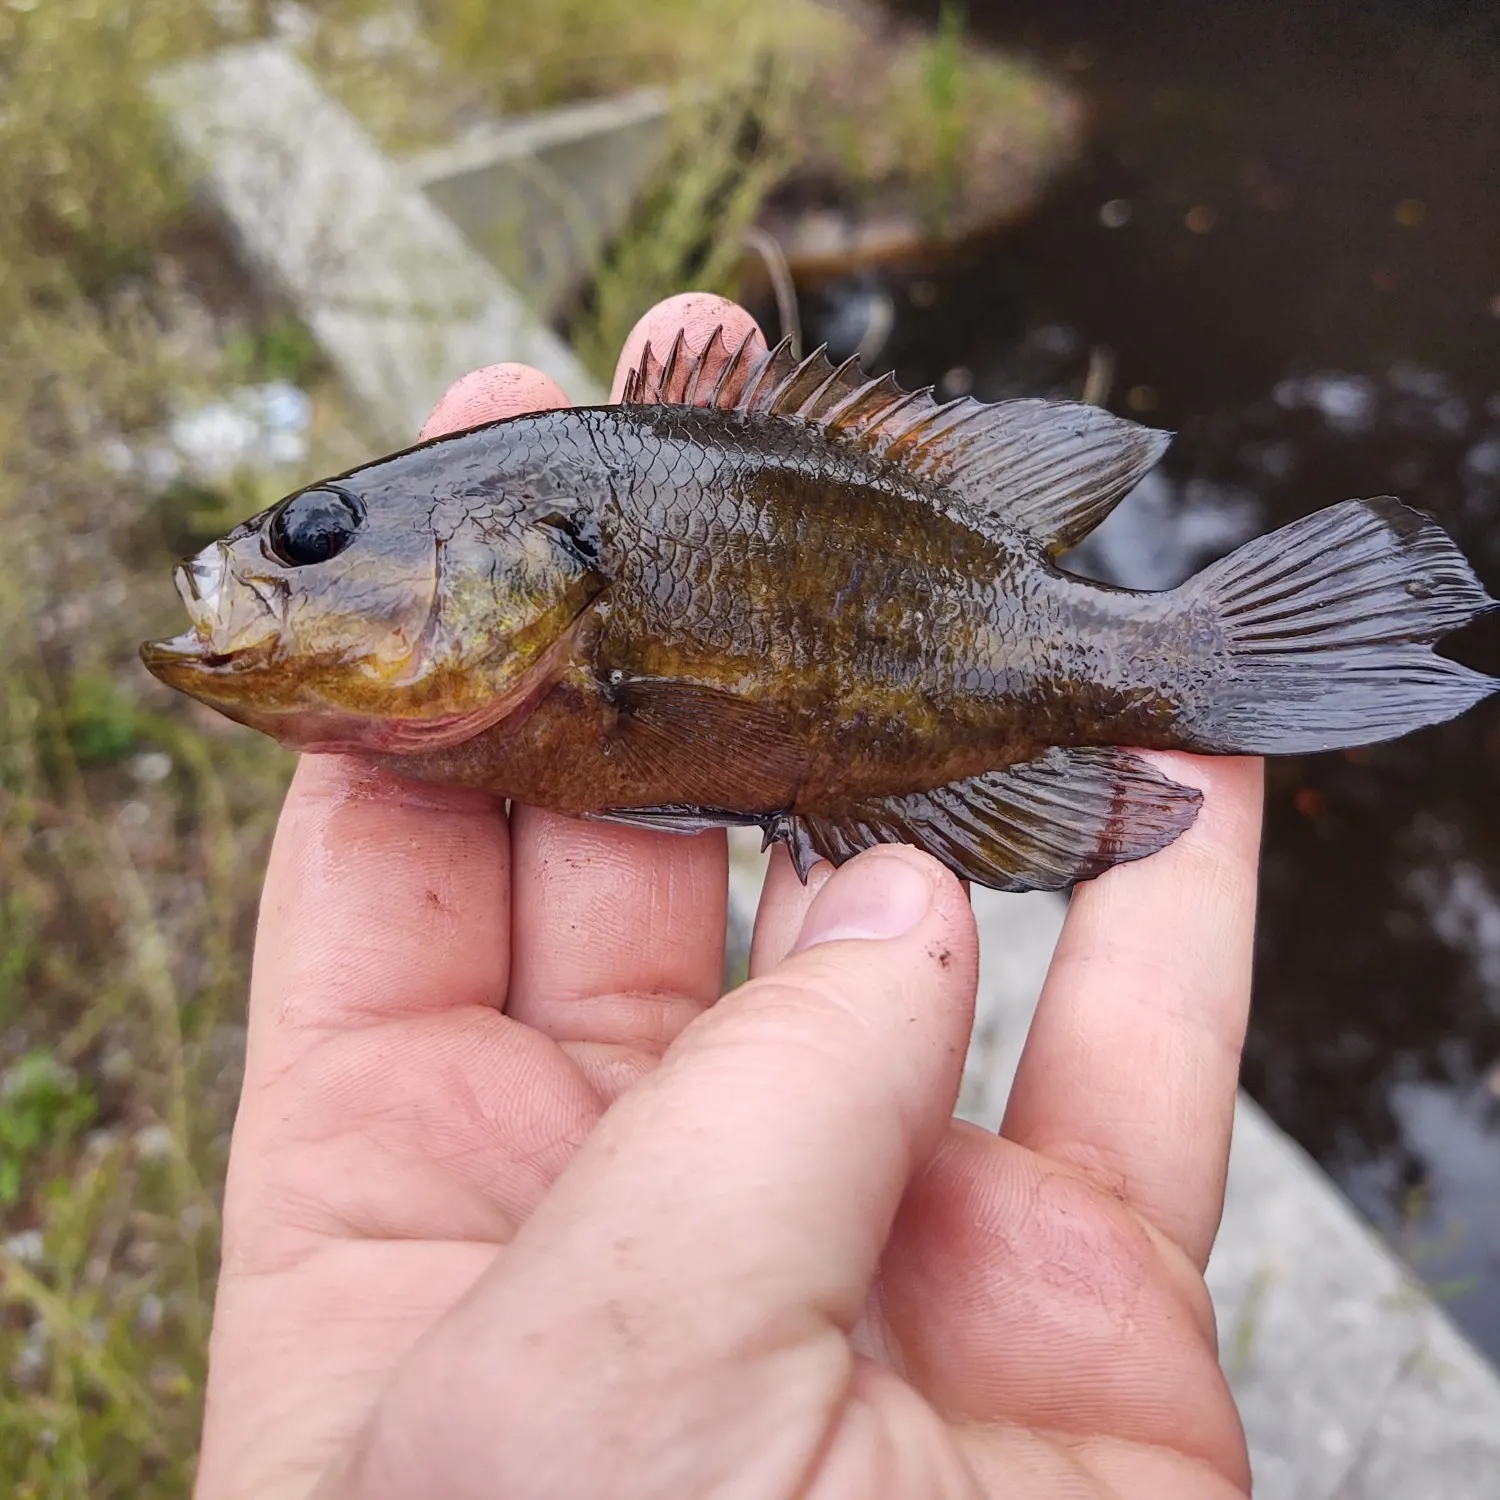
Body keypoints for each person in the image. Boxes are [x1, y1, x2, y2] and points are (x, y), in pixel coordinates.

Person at [194, 294, 1260, 1499]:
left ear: (523, 548)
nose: (256, 574)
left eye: (313, 538)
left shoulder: (556, 652)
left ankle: (1214, 656)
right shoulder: (522, 671)